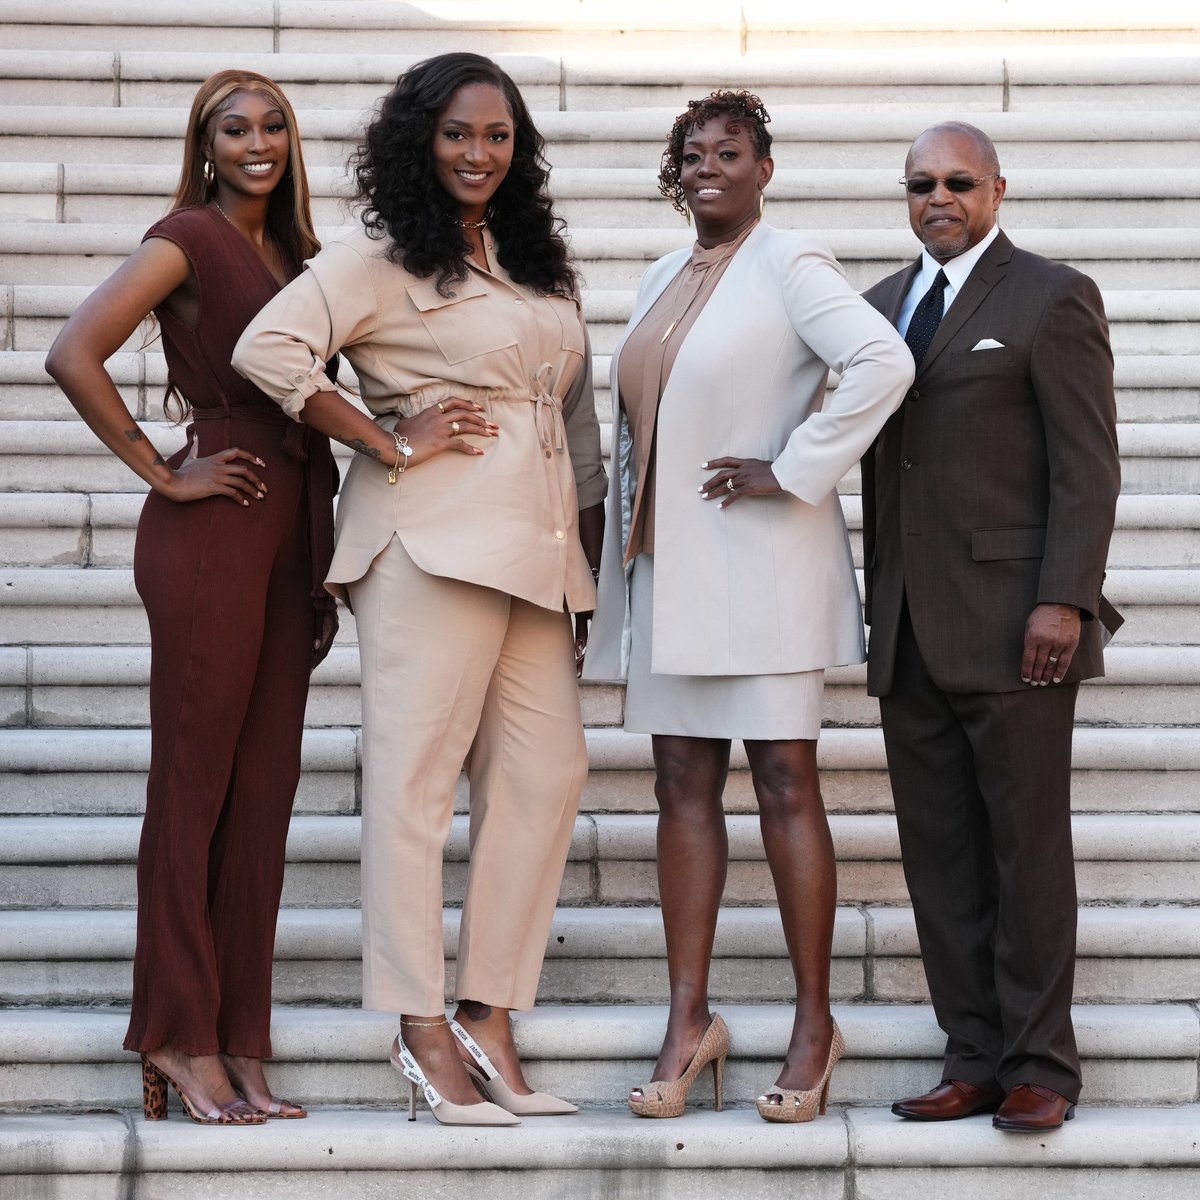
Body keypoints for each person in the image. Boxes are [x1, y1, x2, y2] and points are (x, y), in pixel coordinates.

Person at [233, 52, 606, 1128]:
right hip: (428, 549)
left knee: (547, 774)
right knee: (415, 788)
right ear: (418, 140)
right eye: (456, 134)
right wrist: (384, 436)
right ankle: (418, 1023)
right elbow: (273, 349)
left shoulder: (532, 257)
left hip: (534, 559)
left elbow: (570, 420)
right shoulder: (378, 253)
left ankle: (489, 1010)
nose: (478, 153)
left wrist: (580, 565)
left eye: (496, 136)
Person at [585, 90, 913, 1122]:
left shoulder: (792, 263)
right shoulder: (655, 277)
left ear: (764, 170)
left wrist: (795, 464)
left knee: (782, 781)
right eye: (692, 154)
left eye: (730, 152)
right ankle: (691, 1021)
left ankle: (816, 1023)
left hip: (761, 567)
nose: (709, 166)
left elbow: (883, 360)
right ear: (673, 172)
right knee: (679, 782)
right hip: (667, 574)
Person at [45, 70, 335, 1125]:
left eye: (273, 126)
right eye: (234, 129)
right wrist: (164, 472)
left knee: (263, 799)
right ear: (205, 146)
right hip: (214, 527)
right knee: (196, 787)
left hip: (292, 534)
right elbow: (72, 351)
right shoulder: (188, 237)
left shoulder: (299, 255)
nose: (256, 143)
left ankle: (241, 1037)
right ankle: (175, 1028)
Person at [860, 121, 1122, 1133]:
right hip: (910, 632)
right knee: (939, 858)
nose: (939, 197)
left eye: (958, 182)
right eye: (921, 183)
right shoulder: (879, 309)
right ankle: (969, 1054)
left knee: (1025, 851)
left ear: (997, 190)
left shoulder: (1051, 297)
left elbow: (1088, 464)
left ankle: (1041, 1065)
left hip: (1019, 629)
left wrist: (1065, 597)